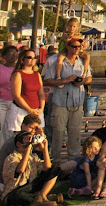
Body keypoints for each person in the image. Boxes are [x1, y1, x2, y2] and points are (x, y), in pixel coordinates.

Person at [41, 33, 92, 165]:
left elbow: (90, 77)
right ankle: (56, 162)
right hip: (61, 102)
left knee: (75, 133)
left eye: (79, 47)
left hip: (77, 102)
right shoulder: (58, 62)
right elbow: (46, 80)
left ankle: (73, 163)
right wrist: (65, 80)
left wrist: (82, 81)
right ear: (68, 47)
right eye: (74, 46)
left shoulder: (82, 62)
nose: (76, 49)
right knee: (58, 132)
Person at [2, 131, 60, 206]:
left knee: (54, 169)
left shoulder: (33, 157)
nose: (31, 141)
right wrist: (27, 150)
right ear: (18, 144)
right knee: (18, 195)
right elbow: (20, 170)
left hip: (29, 187)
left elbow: (47, 168)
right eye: (28, 139)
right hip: (15, 190)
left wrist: (44, 148)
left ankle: (41, 196)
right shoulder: (12, 157)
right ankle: (39, 199)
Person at [6, 50, 45, 136]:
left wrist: (41, 108)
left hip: (37, 111)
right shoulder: (18, 74)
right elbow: (16, 95)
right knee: (20, 137)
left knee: (38, 137)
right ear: (22, 60)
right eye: (29, 57)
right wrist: (29, 110)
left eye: (34, 57)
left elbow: (41, 93)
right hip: (21, 111)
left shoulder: (37, 74)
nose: (32, 59)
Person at [55, 18, 90, 93]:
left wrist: (83, 45)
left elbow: (82, 44)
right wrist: (69, 38)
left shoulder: (79, 35)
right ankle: (58, 76)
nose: (72, 28)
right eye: (70, 26)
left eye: (74, 26)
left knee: (87, 56)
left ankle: (84, 73)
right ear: (67, 26)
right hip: (65, 50)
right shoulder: (65, 35)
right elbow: (67, 43)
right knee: (60, 58)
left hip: (77, 51)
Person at [0, 46, 18, 146]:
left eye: (15, 52)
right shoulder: (1, 69)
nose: (13, 55)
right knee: (1, 128)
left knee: (11, 129)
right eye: (10, 53)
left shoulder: (19, 70)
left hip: (15, 103)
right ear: (4, 56)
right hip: (1, 102)